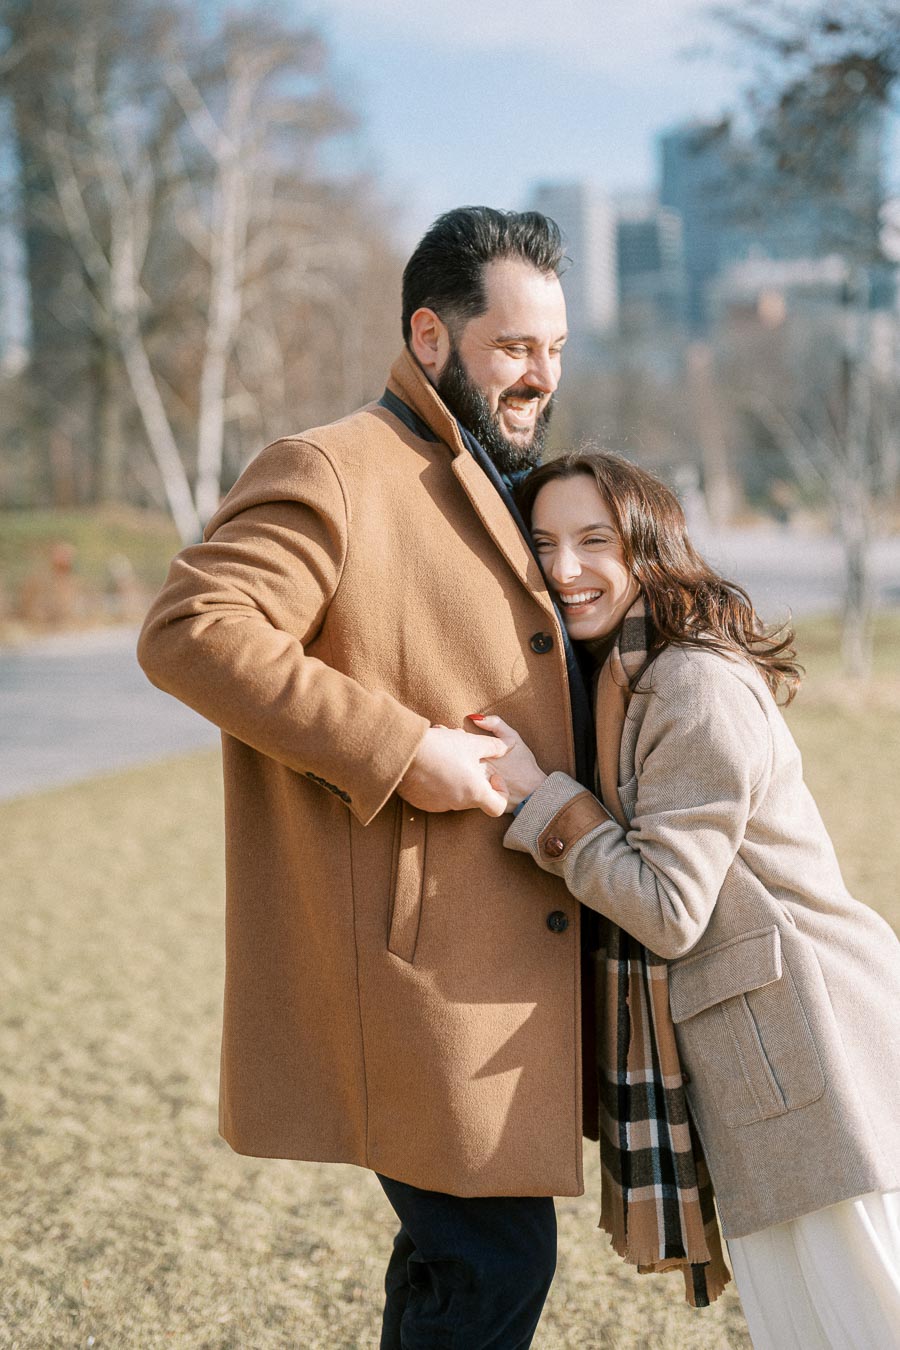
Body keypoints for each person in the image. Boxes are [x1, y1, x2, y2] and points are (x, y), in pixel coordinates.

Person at [137, 207, 597, 1349]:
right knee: (494, 1263)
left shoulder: (497, 476)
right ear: (431, 339)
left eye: (555, 349)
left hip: (496, 974)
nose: (542, 375)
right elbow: (193, 628)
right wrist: (404, 749)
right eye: (515, 348)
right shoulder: (333, 466)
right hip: (415, 979)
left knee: (460, 1267)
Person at [481, 450, 900, 1349]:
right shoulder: (623, 685)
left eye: (595, 540)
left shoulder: (689, 683)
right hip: (768, 1058)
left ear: (650, 548)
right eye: (544, 544)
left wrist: (538, 797)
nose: (565, 570)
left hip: (812, 1051)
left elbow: (671, 904)